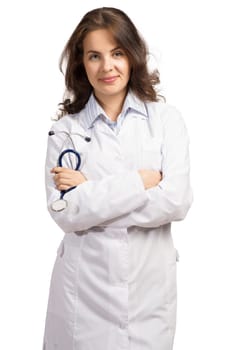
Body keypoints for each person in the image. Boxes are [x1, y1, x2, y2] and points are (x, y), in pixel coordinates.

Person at [42, 6, 193, 350]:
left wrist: (90, 192)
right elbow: (66, 213)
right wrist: (140, 182)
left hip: (148, 296)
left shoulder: (166, 121)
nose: (107, 66)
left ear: (133, 56)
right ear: (82, 63)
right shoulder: (65, 132)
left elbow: (176, 200)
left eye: (117, 53)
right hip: (83, 296)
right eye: (94, 56)